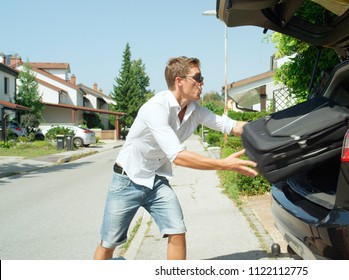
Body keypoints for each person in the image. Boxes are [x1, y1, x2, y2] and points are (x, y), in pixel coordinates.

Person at [93, 56, 258, 260]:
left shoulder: (194, 110)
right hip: (127, 180)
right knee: (109, 243)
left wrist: (272, 128)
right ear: (179, 81)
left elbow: (232, 126)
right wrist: (224, 164)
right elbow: (178, 156)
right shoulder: (156, 108)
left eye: (201, 77)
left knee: (177, 230)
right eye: (197, 77)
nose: (202, 82)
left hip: (155, 181)